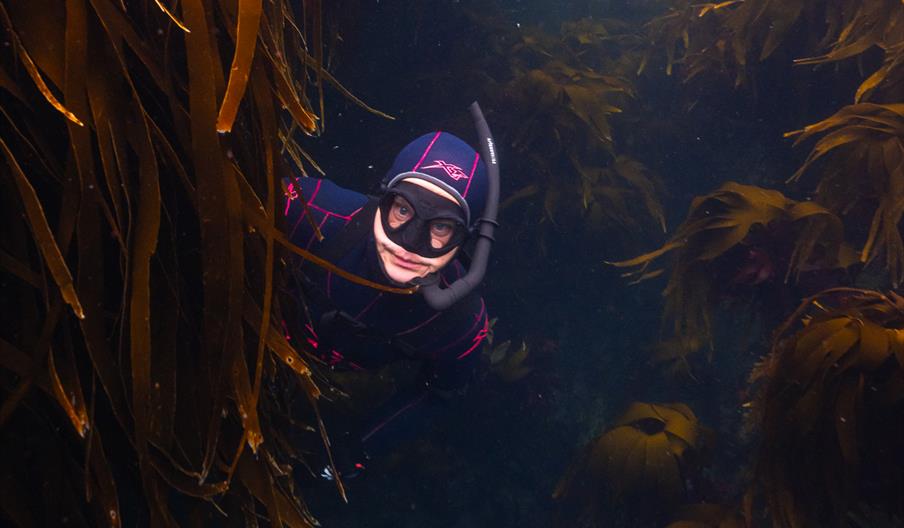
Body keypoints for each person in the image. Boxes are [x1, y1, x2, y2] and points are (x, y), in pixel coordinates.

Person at [283, 110, 499, 481]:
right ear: (383, 197)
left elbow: (439, 393)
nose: (409, 245)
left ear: (466, 239)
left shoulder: (460, 324)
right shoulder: (314, 210)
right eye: (403, 210)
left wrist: (358, 448)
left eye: (441, 227)